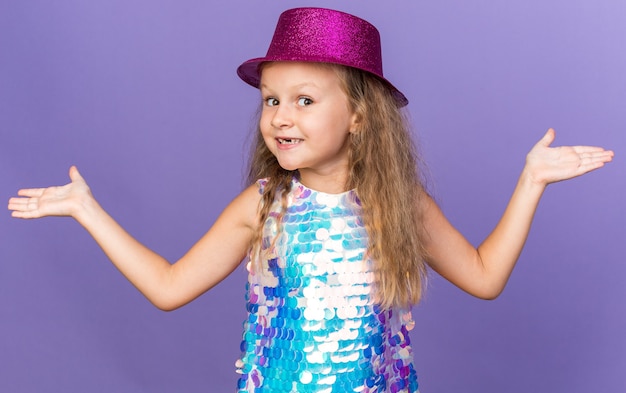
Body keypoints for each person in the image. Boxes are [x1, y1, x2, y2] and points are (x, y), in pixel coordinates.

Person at [7, 7, 614, 393]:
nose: (280, 116)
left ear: (357, 116)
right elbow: (169, 288)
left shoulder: (399, 203)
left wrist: (530, 181)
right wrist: (88, 210)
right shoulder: (262, 206)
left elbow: (483, 277)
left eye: (304, 99)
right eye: (271, 99)